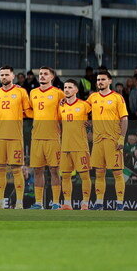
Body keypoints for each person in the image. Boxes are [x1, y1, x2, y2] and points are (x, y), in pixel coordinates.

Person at [0, 66, 32, 209]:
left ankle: (20, 203)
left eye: (6, 74)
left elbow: (28, 111)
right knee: (0, 168)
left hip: (15, 136)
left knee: (17, 169)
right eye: (1, 75)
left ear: (13, 76)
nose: (3, 77)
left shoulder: (21, 92)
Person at [87, 70, 129, 210]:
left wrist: (122, 138)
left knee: (117, 173)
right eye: (98, 79)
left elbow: (124, 119)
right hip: (98, 141)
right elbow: (81, 108)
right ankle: (99, 204)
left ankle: (120, 204)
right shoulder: (92, 97)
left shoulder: (118, 98)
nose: (100, 82)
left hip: (113, 140)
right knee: (99, 173)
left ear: (110, 81)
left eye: (103, 79)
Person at [28, 67, 64, 209]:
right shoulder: (33, 92)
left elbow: (64, 115)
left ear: (52, 77)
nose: (42, 76)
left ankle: (55, 202)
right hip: (36, 137)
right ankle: (38, 203)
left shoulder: (58, 93)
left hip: (53, 137)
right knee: (37, 170)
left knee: (54, 170)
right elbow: (31, 111)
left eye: (45, 74)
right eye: (40, 74)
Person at [58, 80, 91, 210]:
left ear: (76, 90)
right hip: (65, 146)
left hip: (80, 146)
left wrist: (91, 124)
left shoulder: (84, 105)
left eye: (70, 87)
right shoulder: (61, 106)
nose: (66, 90)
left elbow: (98, 113)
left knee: (84, 176)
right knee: (65, 176)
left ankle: (85, 203)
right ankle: (67, 204)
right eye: (65, 87)